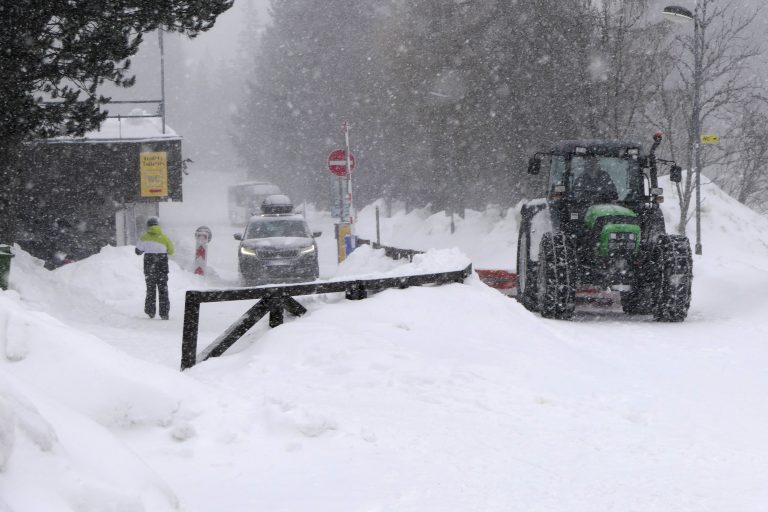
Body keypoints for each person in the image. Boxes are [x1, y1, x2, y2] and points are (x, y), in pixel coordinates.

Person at [135, 216, 175, 319]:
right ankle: (164, 313)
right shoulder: (165, 238)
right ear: (158, 226)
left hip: (149, 269)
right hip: (162, 268)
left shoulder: (144, 238)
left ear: (148, 226)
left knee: (150, 290)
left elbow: (138, 251)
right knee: (163, 290)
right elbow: (171, 251)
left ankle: (150, 311)